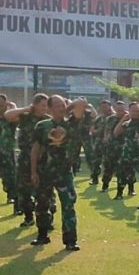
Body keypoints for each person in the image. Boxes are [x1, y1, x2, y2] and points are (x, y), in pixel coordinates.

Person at [30, 95, 86, 251]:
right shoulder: (42, 126)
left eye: (63, 105)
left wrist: (67, 108)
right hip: (45, 171)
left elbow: (81, 104)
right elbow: (35, 149)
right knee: (42, 204)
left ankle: (70, 240)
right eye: (57, 105)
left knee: (68, 204)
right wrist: (33, 171)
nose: (61, 108)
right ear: (49, 108)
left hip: (64, 172)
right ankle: (42, 235)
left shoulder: (71, 123)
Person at [4, 93, 49, 227]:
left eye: (46, 105)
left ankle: (46, 219)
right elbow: (7, 115)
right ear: (35, 105)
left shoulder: (47, 120)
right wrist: (25, 109)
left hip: (43, 159)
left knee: (44, 190)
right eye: (42, 105)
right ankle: (28, 217)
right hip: (25, 158)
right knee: (24, 189)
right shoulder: (26, 117)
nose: (45, 108)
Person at [113, 102, 139, 200]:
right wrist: (123, 119)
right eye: (133, 110)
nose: (135, 113)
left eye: (137, 111)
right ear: (129, 111)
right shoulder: (127, 123)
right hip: (126, 153)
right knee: (121, 174)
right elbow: (116, 133)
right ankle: (119, 194)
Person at [100, 101, 127, 193]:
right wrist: (105, 139)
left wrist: (124, 118)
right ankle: (105, 186)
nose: (120, 112)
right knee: (108, 167)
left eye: (122, 110)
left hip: (123, 147)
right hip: (111, 147)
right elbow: (107, 130)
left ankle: (123, 190)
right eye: (118, 110)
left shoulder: (127, 118)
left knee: (122, 169)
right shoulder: (110, 119)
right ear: (115, 109)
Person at [0, 95, 18, 207]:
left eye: (2, 104)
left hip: (7, 152)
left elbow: (17, 116)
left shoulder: (10, 119)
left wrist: (13, 106)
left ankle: (12, 196)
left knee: (10, 176)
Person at [89, 99, 111, 185]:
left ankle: (106, 181)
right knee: (96, 161)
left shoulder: (113, 118)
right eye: (102, 107)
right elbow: (92, 130)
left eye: (106, 107)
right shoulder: (99, 119)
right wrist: (98, 131)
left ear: (109, 107)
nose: (104, 108)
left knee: (108, 162)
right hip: (98, 143)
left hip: (109, 143)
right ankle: (94, 178)